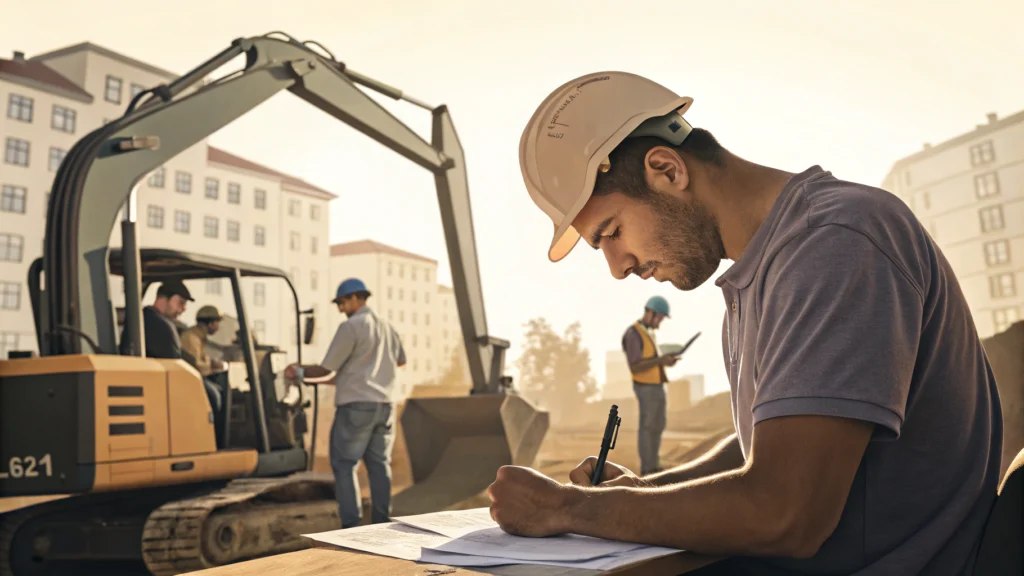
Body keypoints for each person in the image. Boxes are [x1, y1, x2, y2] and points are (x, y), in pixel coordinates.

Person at [487, 72, 1003, 575]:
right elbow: (782, 437)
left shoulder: (838, 243)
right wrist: (647, 494)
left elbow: (783, 513)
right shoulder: (767, 272)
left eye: (612, 232)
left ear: (667, 169)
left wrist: (567, 509)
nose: (618, 266)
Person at [284, 278, 406, 528]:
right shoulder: (387, 328)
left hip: (356, 407)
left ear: (355, 299)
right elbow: (400, 362)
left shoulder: (351, 327)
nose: (340, 308)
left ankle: (351, 527)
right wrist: (360, 374)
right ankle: (383, 524)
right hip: (384, 405)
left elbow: (324, 368)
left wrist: (296, 373)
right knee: (379, 466)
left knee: (344, 463)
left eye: (342, 302)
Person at [622, 296, 678, 475]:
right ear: (651, 313)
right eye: (660, 317)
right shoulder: (634, 334)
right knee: (648, 428)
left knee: (657, 426)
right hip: (646, 388)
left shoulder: (648, 333)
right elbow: (635, 365)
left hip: (656, 386)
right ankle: (648, 470)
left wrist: (665, 362)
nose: (660, 321)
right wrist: (661, 360)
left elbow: (650, 361)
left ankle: (653, 465)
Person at [119, 279, 192, 359]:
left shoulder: (142, 318)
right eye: (181, 302)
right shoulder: (161, 327)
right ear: (165, 299)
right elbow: (174, 360)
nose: (184, 309)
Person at [180, 305, 228, 377]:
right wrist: (212, 366)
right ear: (210, 323)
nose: (218, 327)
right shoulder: (191, 338)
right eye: (217, 322)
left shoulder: (199, 337)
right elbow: (195, 365)